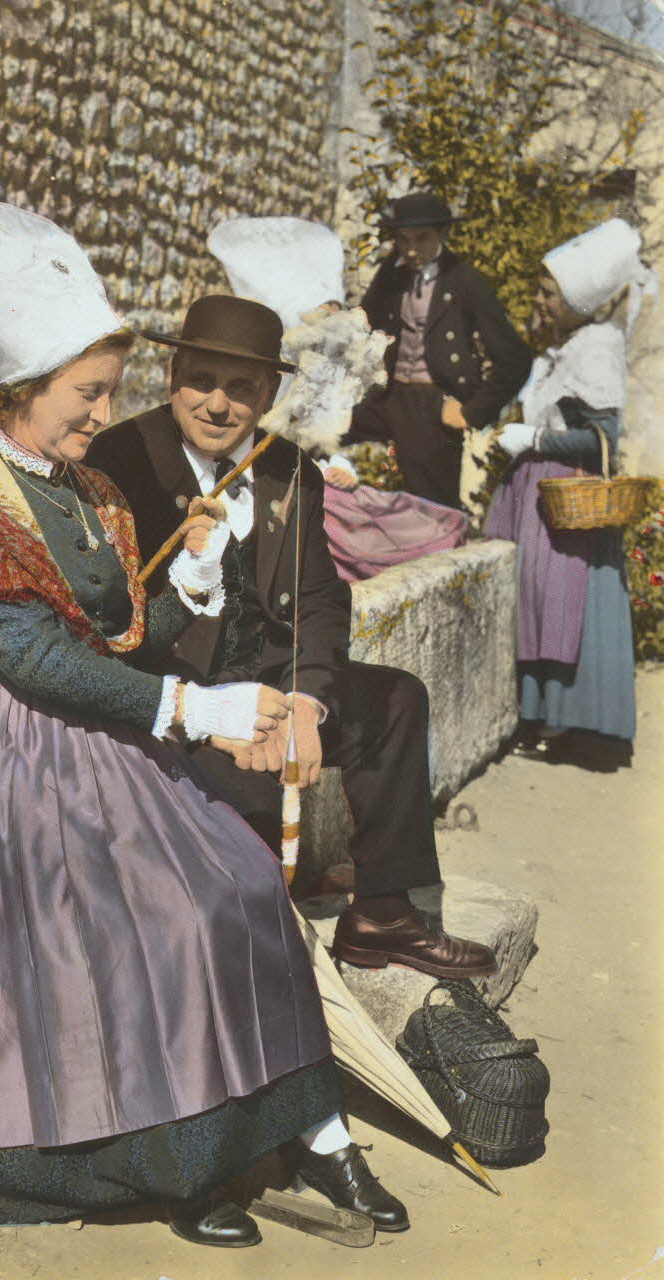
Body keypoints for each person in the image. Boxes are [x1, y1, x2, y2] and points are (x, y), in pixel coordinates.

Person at [0, 195, 394, 1246]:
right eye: (85, 395)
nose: (103, 415)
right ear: (21, 390)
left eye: (107, 393)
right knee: (154, 923)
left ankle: (311, 1132)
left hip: (81, 744)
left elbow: (108, 630)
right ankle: (186, 1162)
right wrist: (194, 703)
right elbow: (38, 660)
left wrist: (186, 579)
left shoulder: (89, 490)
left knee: (235, 883)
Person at [86, 293, 497, 989]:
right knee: (246, 865)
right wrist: (223, 715)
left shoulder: (287, 467)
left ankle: (383, 914)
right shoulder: (117, 458)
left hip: (272, 686)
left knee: (396, 700)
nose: (217, 405)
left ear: (268, 393)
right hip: (182, 701)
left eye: (240, 388)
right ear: (171, 376)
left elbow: (317, 599)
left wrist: (307, 700)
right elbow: (106, 618)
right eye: (202, 381)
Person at [206, 213, 469, 581]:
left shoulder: (321, 367)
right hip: (262, 492)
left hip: (311, 486)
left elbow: (322, 434)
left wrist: (339, 466)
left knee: (411, 527)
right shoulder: (257, 375)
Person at [485, 218, 654, 754]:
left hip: (563, 495)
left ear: (580, 301)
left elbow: (600, 440)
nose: (538, 300)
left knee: (559, 600)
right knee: (533, 598)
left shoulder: (595, 348)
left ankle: (564, 720)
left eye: (548, 293)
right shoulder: (562, 346)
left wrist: (534, 437)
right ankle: (535, 716)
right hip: (531, 490)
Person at [347, 190, 533, 509]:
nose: (411, 249)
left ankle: (440, 552)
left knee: (430, 504)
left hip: (432, 402)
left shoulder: (464, 280)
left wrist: (472, 412)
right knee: (323, 440)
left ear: (442, 233)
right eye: (403, 240)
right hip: (388, 395)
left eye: (421, 238)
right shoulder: (393, 272)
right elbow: (364, 323)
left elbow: (515, 359)